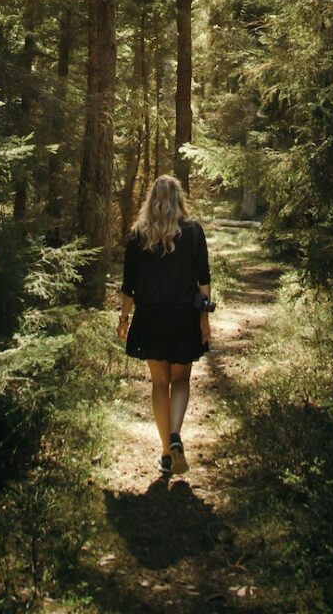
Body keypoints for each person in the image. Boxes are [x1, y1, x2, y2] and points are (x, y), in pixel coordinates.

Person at [117, 174, 212, 476]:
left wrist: (123, 319)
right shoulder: (193, 231)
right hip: (184, 315)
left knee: (159, 384)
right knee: (181, 380)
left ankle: (165, 454)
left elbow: (128, 286)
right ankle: (175, 436)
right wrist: (204, 320)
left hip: (150, 316)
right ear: (179, 198)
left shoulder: (137, 235)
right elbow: (204, 281)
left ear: (151, 199)